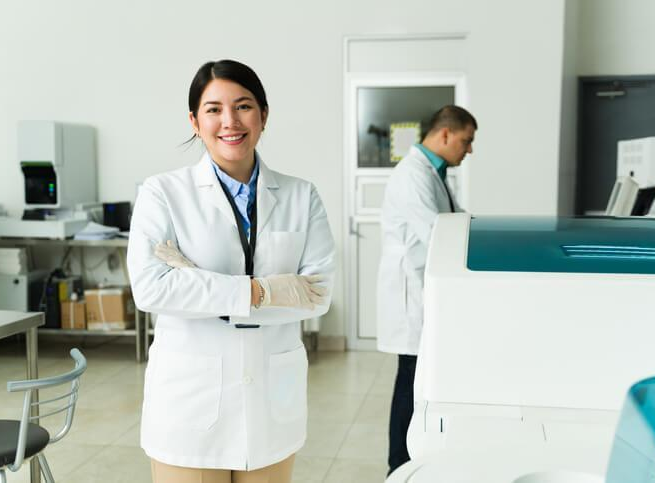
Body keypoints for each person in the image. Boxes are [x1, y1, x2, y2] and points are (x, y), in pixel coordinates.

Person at [127, 59, 335, 483]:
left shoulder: (301, 195)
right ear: (194, 120)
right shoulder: (162, 194)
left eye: (243, 106)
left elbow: (318, 294)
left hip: (270, 402)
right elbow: (151, 290)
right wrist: (264, 291)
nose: (230, 121)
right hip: (188, 404)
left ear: (264, 115)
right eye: (213, 109)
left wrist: (197, 284)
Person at [376, 105, 477, 475]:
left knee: (417, 378)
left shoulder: (434, 172)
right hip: (410, 292)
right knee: (409, 379)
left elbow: (454, 219)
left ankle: (409, 463)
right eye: (466, 141)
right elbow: (435, 234)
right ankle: (397, 467)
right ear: (445, 135)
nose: (469, 150)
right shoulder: (413, 174)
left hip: (423, 288)